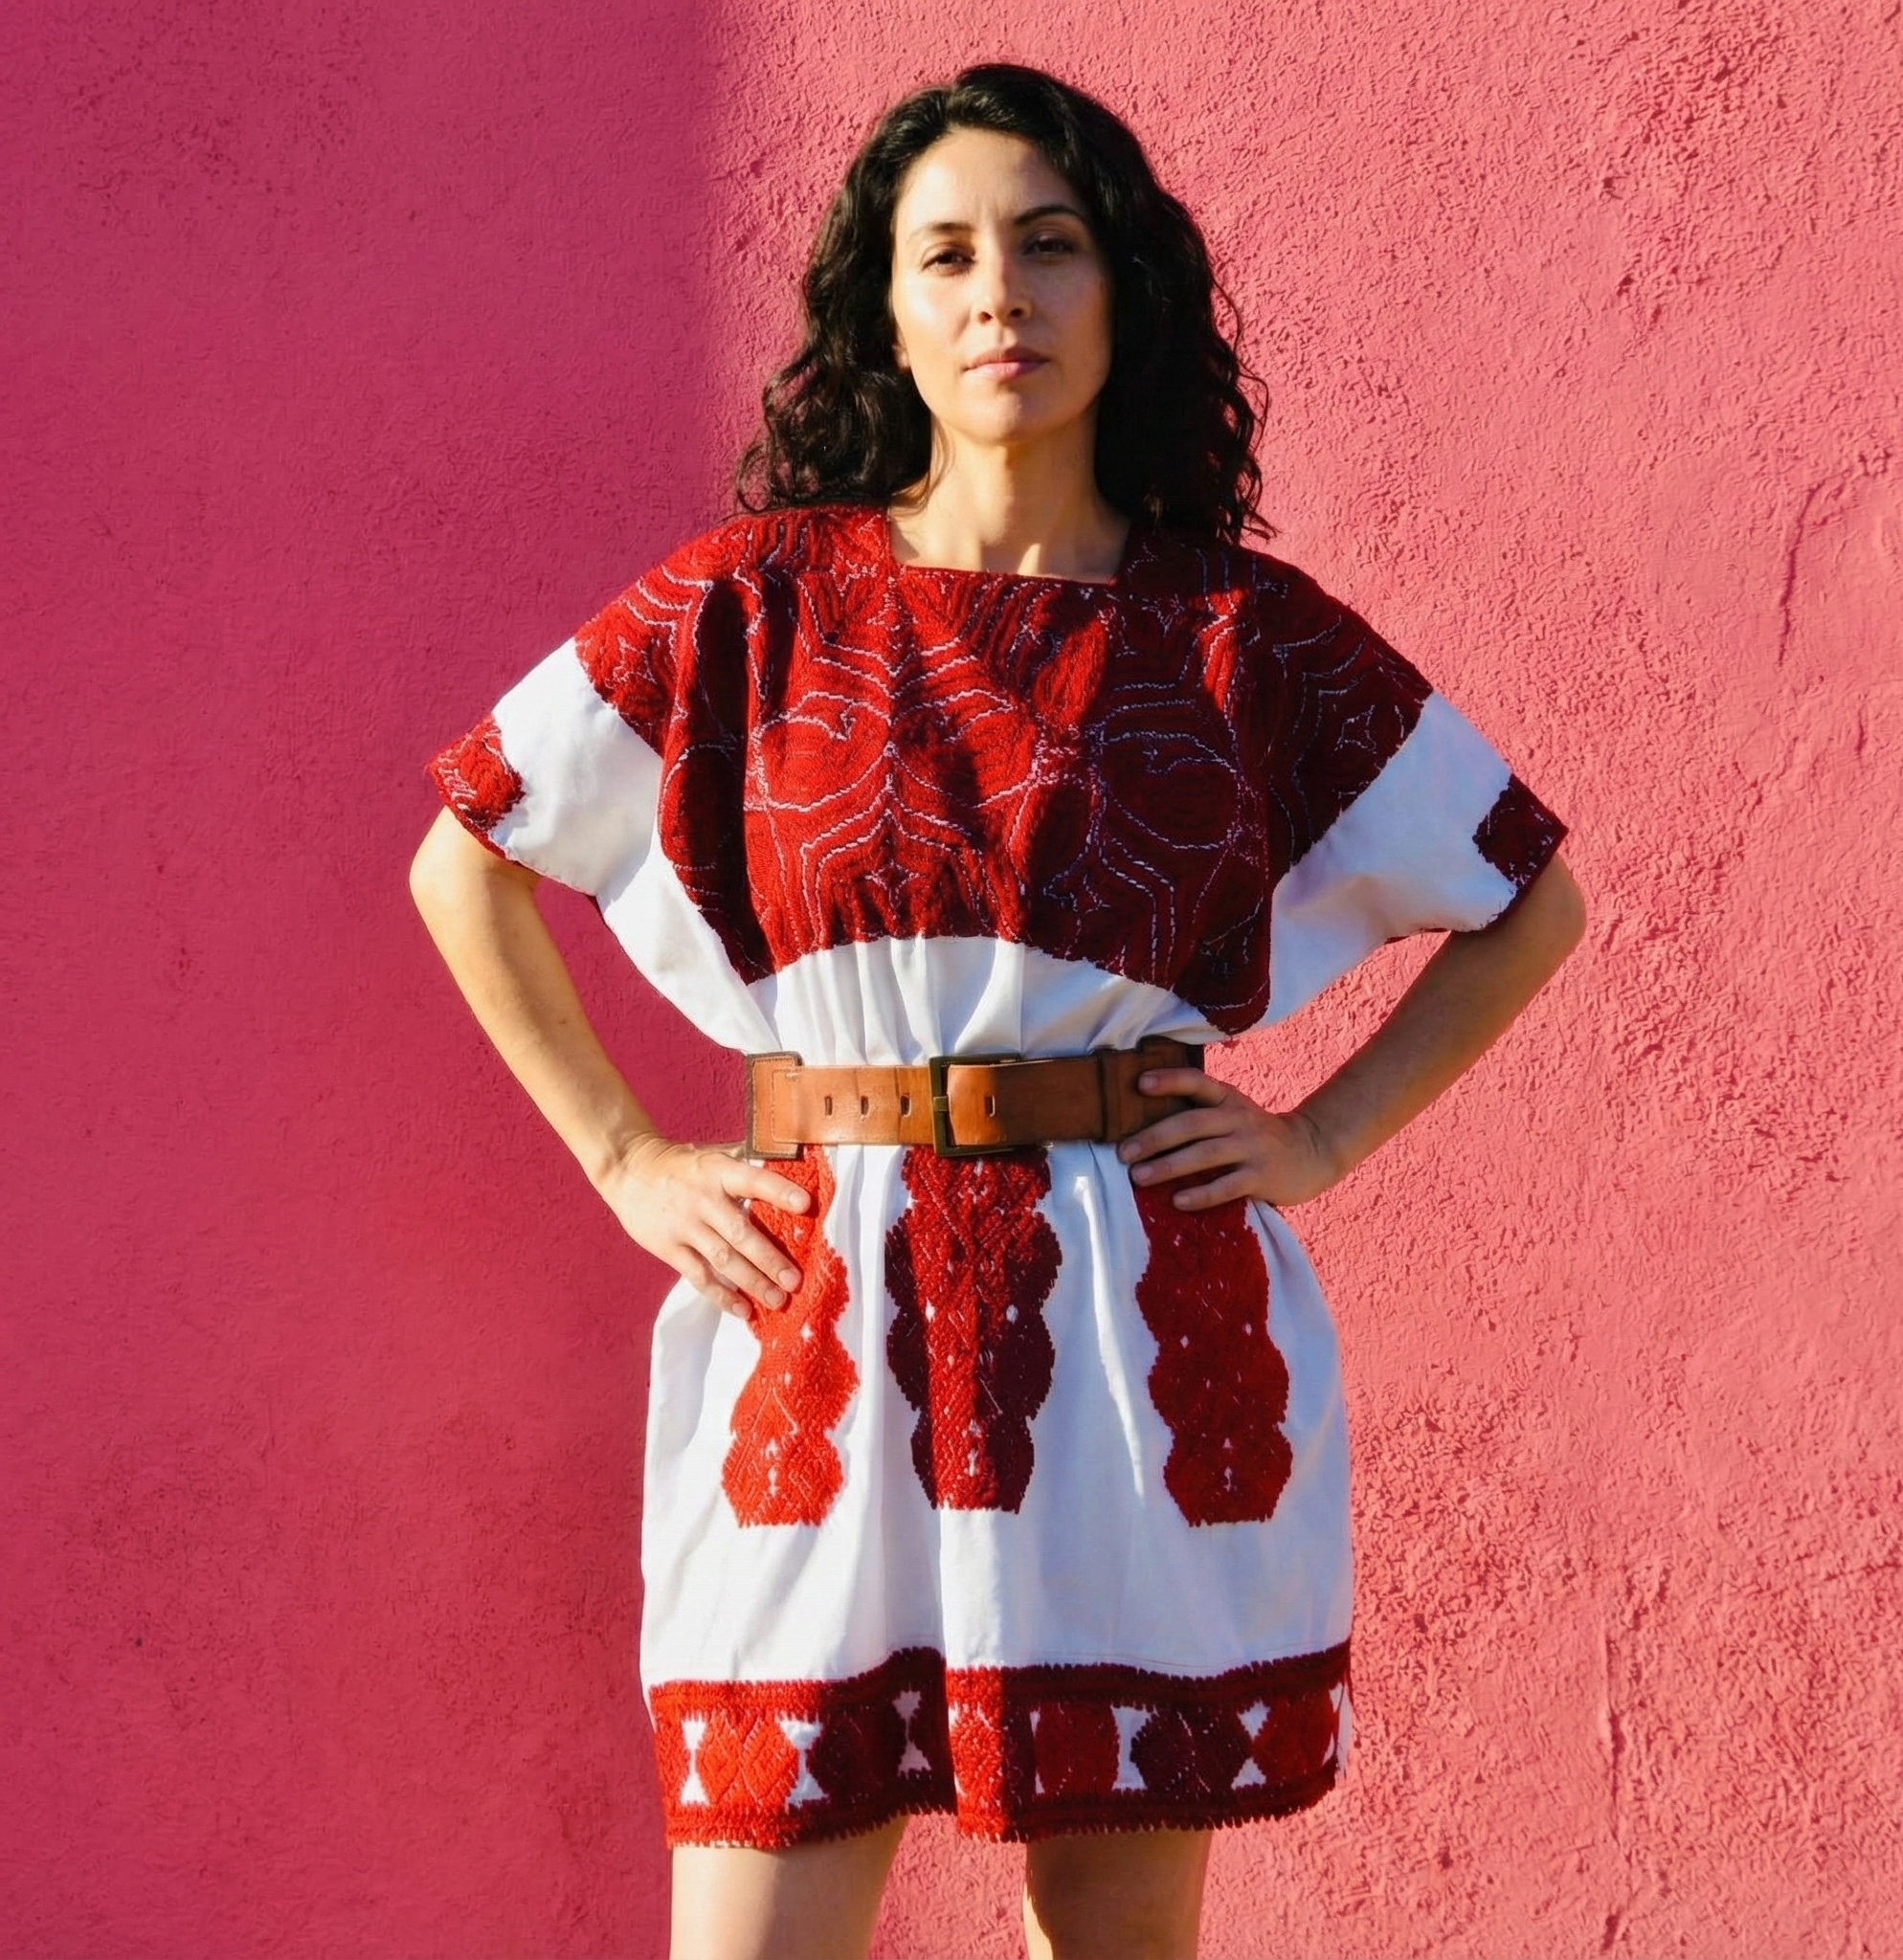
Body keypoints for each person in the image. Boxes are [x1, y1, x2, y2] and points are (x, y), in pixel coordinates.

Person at [409, 60, 1584, 1960]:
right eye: (943, 254)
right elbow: (467, 855)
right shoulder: (747, 609)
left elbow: (1525, 897)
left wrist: (1320, 1134)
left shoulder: (1242, 635)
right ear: (885, 308)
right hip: (819, 1312)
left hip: (1132, 1321)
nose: (997, 296)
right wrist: (624, 1157)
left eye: (1047, 246)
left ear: (1121, 289)